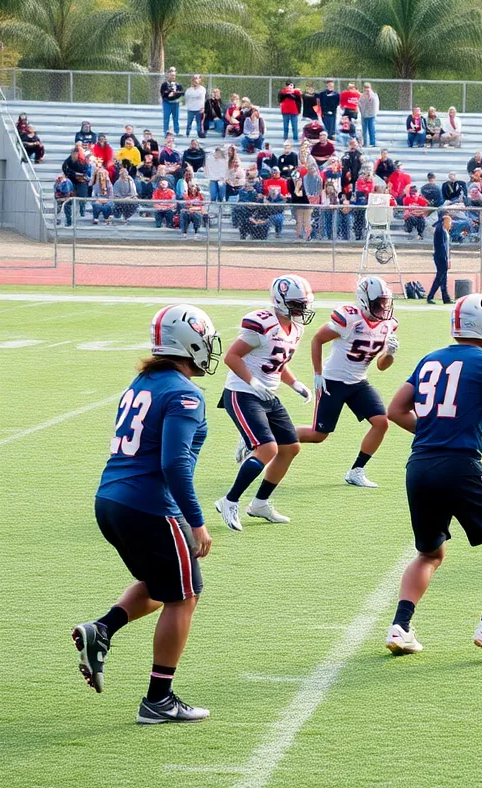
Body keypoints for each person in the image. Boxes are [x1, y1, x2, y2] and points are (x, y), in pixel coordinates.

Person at [78, 304, 221, 723]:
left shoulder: (144, 381)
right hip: (149, 504)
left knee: (160, 585)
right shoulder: (184, 392)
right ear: (189, 341)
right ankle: (158, 700)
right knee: (185, 595)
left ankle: (101, 629)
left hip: (111, 499)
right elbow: (174, 464)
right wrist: (196, 521)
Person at [384, 294, 482, 658]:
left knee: (429, 554)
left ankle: (400, 626)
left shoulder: (431, 358)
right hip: (459, 465)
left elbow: (395, 410)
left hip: (419, 466)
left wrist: (433, 431)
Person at [213, 276, 315, 531]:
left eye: (303, 304)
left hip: (268, 394)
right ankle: (229, 500)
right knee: (268, 448)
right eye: (296, 304)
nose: (301, 309)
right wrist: (252, 382)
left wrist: (294, 384)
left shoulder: (296, 327)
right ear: (279, 301)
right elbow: (232, 356)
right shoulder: (262, 323)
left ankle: (260, 503)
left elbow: (279, 361)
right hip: (242, 392)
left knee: (290, 447)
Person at [294, 276, 398, 489]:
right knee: (318, 435)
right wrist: (317, 373)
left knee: (381, 422)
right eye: (378, 301)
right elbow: (317, 339)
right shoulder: (350, 318)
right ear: (364, 300)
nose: (382, 307)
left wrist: (391, 354)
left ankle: (356, 471)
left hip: (359, 382)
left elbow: (381, 365)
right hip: (332, 382)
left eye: (384, 301)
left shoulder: (388, 325)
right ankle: (264, 436)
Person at [428, 214, 453, 304]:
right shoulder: (440, 230)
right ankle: (430, 296)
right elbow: (442, 247)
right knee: (440, 277)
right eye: (449, 222)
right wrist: (446, 259)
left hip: (443, 257)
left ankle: (446, 298)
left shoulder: (445, 231)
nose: (450, 225)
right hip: (440, 257)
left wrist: (448, 259)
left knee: (443, 278)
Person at [160, 67, 183, 135]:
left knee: (176, 118)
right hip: (167, 103)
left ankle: (176, 131)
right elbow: (163, 94)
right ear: (168, 75)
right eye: (171, 75)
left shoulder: (178, 85)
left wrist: (177, 93)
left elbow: (181, 93)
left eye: (174, 75)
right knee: (166, 118)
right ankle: (165, 132)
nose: (172, 77)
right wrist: (169, 92)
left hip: (175, 103)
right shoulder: (164, 84)